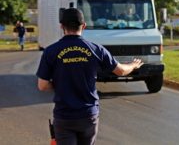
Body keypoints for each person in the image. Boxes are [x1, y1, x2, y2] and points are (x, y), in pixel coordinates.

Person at [36, 8, 143, 145]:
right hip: (88, 115)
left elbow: (42, 85)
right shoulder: (96, 49)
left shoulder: (50, 51)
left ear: (62, 26)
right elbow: (120, 71)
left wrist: (60, 82)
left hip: (64, 116)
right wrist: (133, 65)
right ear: (84, 26)